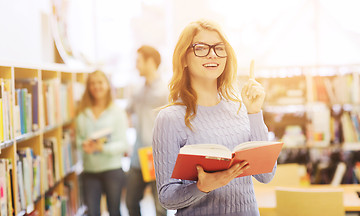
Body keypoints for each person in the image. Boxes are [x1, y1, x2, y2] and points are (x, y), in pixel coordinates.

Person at [152, 19, 276, 216]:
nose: (212, 54)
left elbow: (266, 175)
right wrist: (202, 187)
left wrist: (254, 113)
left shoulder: (241, 108)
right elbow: (167, 198)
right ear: (183, 58)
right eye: (201, 48)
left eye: (219, 48)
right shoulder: (170, 118)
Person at [76, 70, 128, 216]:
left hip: (112, 169)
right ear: (88, 87)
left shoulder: (117, 112)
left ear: (107, 85)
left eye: (100, 82)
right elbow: (79, 140)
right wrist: (84, 145)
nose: (96, 86)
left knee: (114, 211)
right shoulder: (82, 113)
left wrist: (102, 148)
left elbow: (123, 144)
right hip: (90, 171)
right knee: (92, 212)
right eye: (92, 83)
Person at [125, 45, 168, 216]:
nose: (136, 65)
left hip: (158, 157)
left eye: (138, 61)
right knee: (130, 201)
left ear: (150, 62)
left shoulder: (166, 91)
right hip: (137, 157)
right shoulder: (137, 91)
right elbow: (127, 111)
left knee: (160, 207)